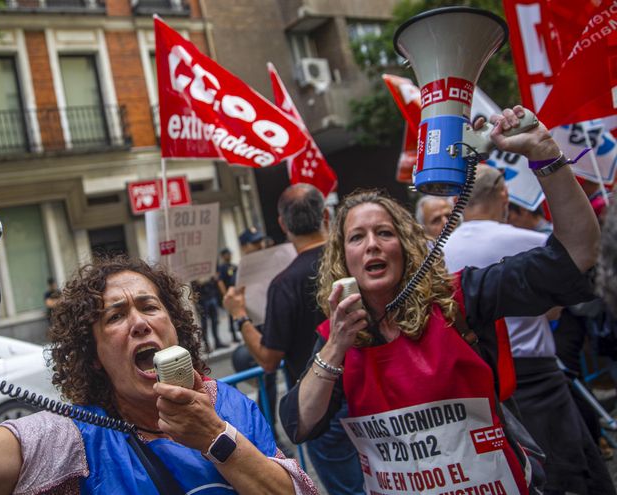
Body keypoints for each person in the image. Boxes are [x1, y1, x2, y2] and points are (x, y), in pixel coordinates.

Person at [280, 106, 610, 495]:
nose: (372, 245)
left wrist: (546, 155)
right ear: (343, 258)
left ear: (406, 246)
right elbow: (300, 424)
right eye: (357, 237)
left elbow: (575, 254)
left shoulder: (461, 297)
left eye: (384, 233)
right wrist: (336, 347)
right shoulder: (340, 334)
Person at [0, 220, 317, 494]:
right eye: (115, 316)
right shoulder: (73, 440)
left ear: (176, 328)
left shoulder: (231, 406)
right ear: (93, 356)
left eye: (149, 307)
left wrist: (215, 438)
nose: (139, 323)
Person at [442, 164, 613, 492]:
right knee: (574, 475)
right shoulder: (526, 240)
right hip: (537, 379)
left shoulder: (437, 250)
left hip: (479, 383)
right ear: (504, 194)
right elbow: (565, 287)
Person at [225, 183, 364, 495]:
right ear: (326, 215)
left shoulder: (284, 284)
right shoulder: (354, 259)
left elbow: (268, 359)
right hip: (368, 391)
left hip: (320, 405)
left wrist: (239, 315)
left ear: (283, 224)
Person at [192, 276, 226, 352]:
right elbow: (194, 286)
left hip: (211, 295)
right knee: (204, 324)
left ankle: (217, 341)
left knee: (215, 321)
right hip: (202, 299)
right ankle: (207, 344)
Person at [217, 248, 240, 343]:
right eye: (227, 254)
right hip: (230, 294)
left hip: (237, 293)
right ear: (223, 256)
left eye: (230, 254)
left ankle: (239, 331)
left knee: (239, 314)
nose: (229, 255)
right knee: (231, 315)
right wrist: (225, 295)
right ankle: (234, 335)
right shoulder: (222, 268)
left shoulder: (233, 266)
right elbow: (220, 282)